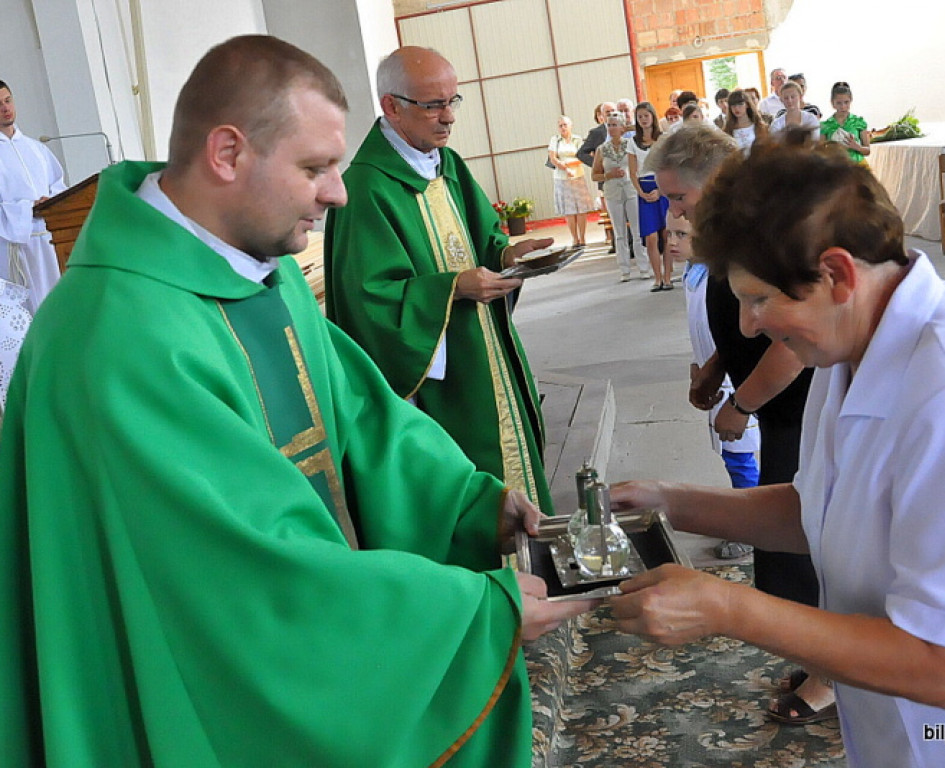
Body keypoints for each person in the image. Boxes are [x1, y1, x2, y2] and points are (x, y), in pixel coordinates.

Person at [0, 35, 594, 767]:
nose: (339, 192)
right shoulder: (119, 336)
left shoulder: (259, 273)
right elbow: (247, 576)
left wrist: (469, 503)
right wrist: (465, 614)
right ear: (227, 155)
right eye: (316, 168)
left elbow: (362, 420)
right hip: (190, 690)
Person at [610, 140, 945, 767]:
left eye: (759, 299)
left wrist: (727, 606)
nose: (749, 325)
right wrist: (670, 504)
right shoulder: (850, 342)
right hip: (893, 720)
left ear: (836, 274)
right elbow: (822, 508)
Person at [644, 124, 827, 723]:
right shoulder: (730, 239)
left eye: (679, 199)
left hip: (797, 409)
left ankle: (831, 673)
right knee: (785, 539)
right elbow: (746, 326)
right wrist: (717, 368)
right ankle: (817, 653)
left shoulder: (761, 237)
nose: (673, 211)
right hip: (774, 409)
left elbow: (790, 346)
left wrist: (739, 405)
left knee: (810, 541)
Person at [325, 46, 555, 515]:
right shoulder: (366, 189)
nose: (448, 117)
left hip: (485, 348)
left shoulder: (447, 165)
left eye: (454, 101)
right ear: (391, 106)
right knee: (462, 483)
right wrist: (453, 289)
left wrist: (507, 253)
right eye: (433, 105)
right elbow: (368, 301)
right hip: (440, 381)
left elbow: (479, 238)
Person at [670, 209, 759, 559]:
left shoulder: (723, 279)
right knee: (731, 452)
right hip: (715, 379)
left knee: (741, 453)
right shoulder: (693, 272)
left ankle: (751, 528)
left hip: (736, 383)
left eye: (681, 234)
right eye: (669, 235)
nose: (672, 243)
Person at [0, 80, 67, 314]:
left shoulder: (36, 148)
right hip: (14, 246)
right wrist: (27, 207)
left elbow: (58, 186)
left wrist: (50, 203)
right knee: (26, 315)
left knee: (58, 306)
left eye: (8, 101)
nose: (5, 108)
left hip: (49, 242)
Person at [593, 111, 649, 282]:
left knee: (637, 230)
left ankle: (643, 266)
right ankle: (624, 269)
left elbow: (639, 166)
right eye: (609, 125)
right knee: (619, 232)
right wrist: (608, 175)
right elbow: (595, 175)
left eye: (615, 125)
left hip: (631, 189)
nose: (611, 128)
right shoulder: (602, 149)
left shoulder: (631, 145)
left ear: (622, 127)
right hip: (612, 192)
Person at [627, 102, 671, 291]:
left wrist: (661, 191)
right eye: (640, 117)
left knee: (667, 234)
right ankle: (657, 277)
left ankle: (668, 277)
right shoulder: (632, 142)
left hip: (662, 188)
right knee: (651, 237)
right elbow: (632, 172)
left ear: (653, 116)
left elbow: (669, 167)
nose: (643, 120)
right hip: (644, 190)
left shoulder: (663, 139)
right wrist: (641, 193)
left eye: (646, 115)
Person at [548, 115, 591, 247]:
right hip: (562, 178)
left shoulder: (577, 139)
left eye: (565, 125)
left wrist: (570, 164)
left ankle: (583, 237)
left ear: (571, 126)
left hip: (577, 176)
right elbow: (553, 158)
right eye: (560, 125)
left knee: (581, 209)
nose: (563, 128)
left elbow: (583, 156)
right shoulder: (555, 140)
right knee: (569, 210)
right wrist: (565, 168)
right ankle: (575, 238)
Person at [820, 81, 871, 164]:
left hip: (857, 166)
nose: (843, 106)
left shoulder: (859, 122)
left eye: (846, 102)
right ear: (833, 103)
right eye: (839, 103)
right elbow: (820, 152)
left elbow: (868, 151)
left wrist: (857, 147)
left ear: (851, 100)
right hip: (836, 167)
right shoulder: (825, 126)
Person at [723, 89, 768, 157]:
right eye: (733, 105)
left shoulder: (759, 126)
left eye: (740, 104)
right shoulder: (728, 129)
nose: (736, 108)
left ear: (747, 104)